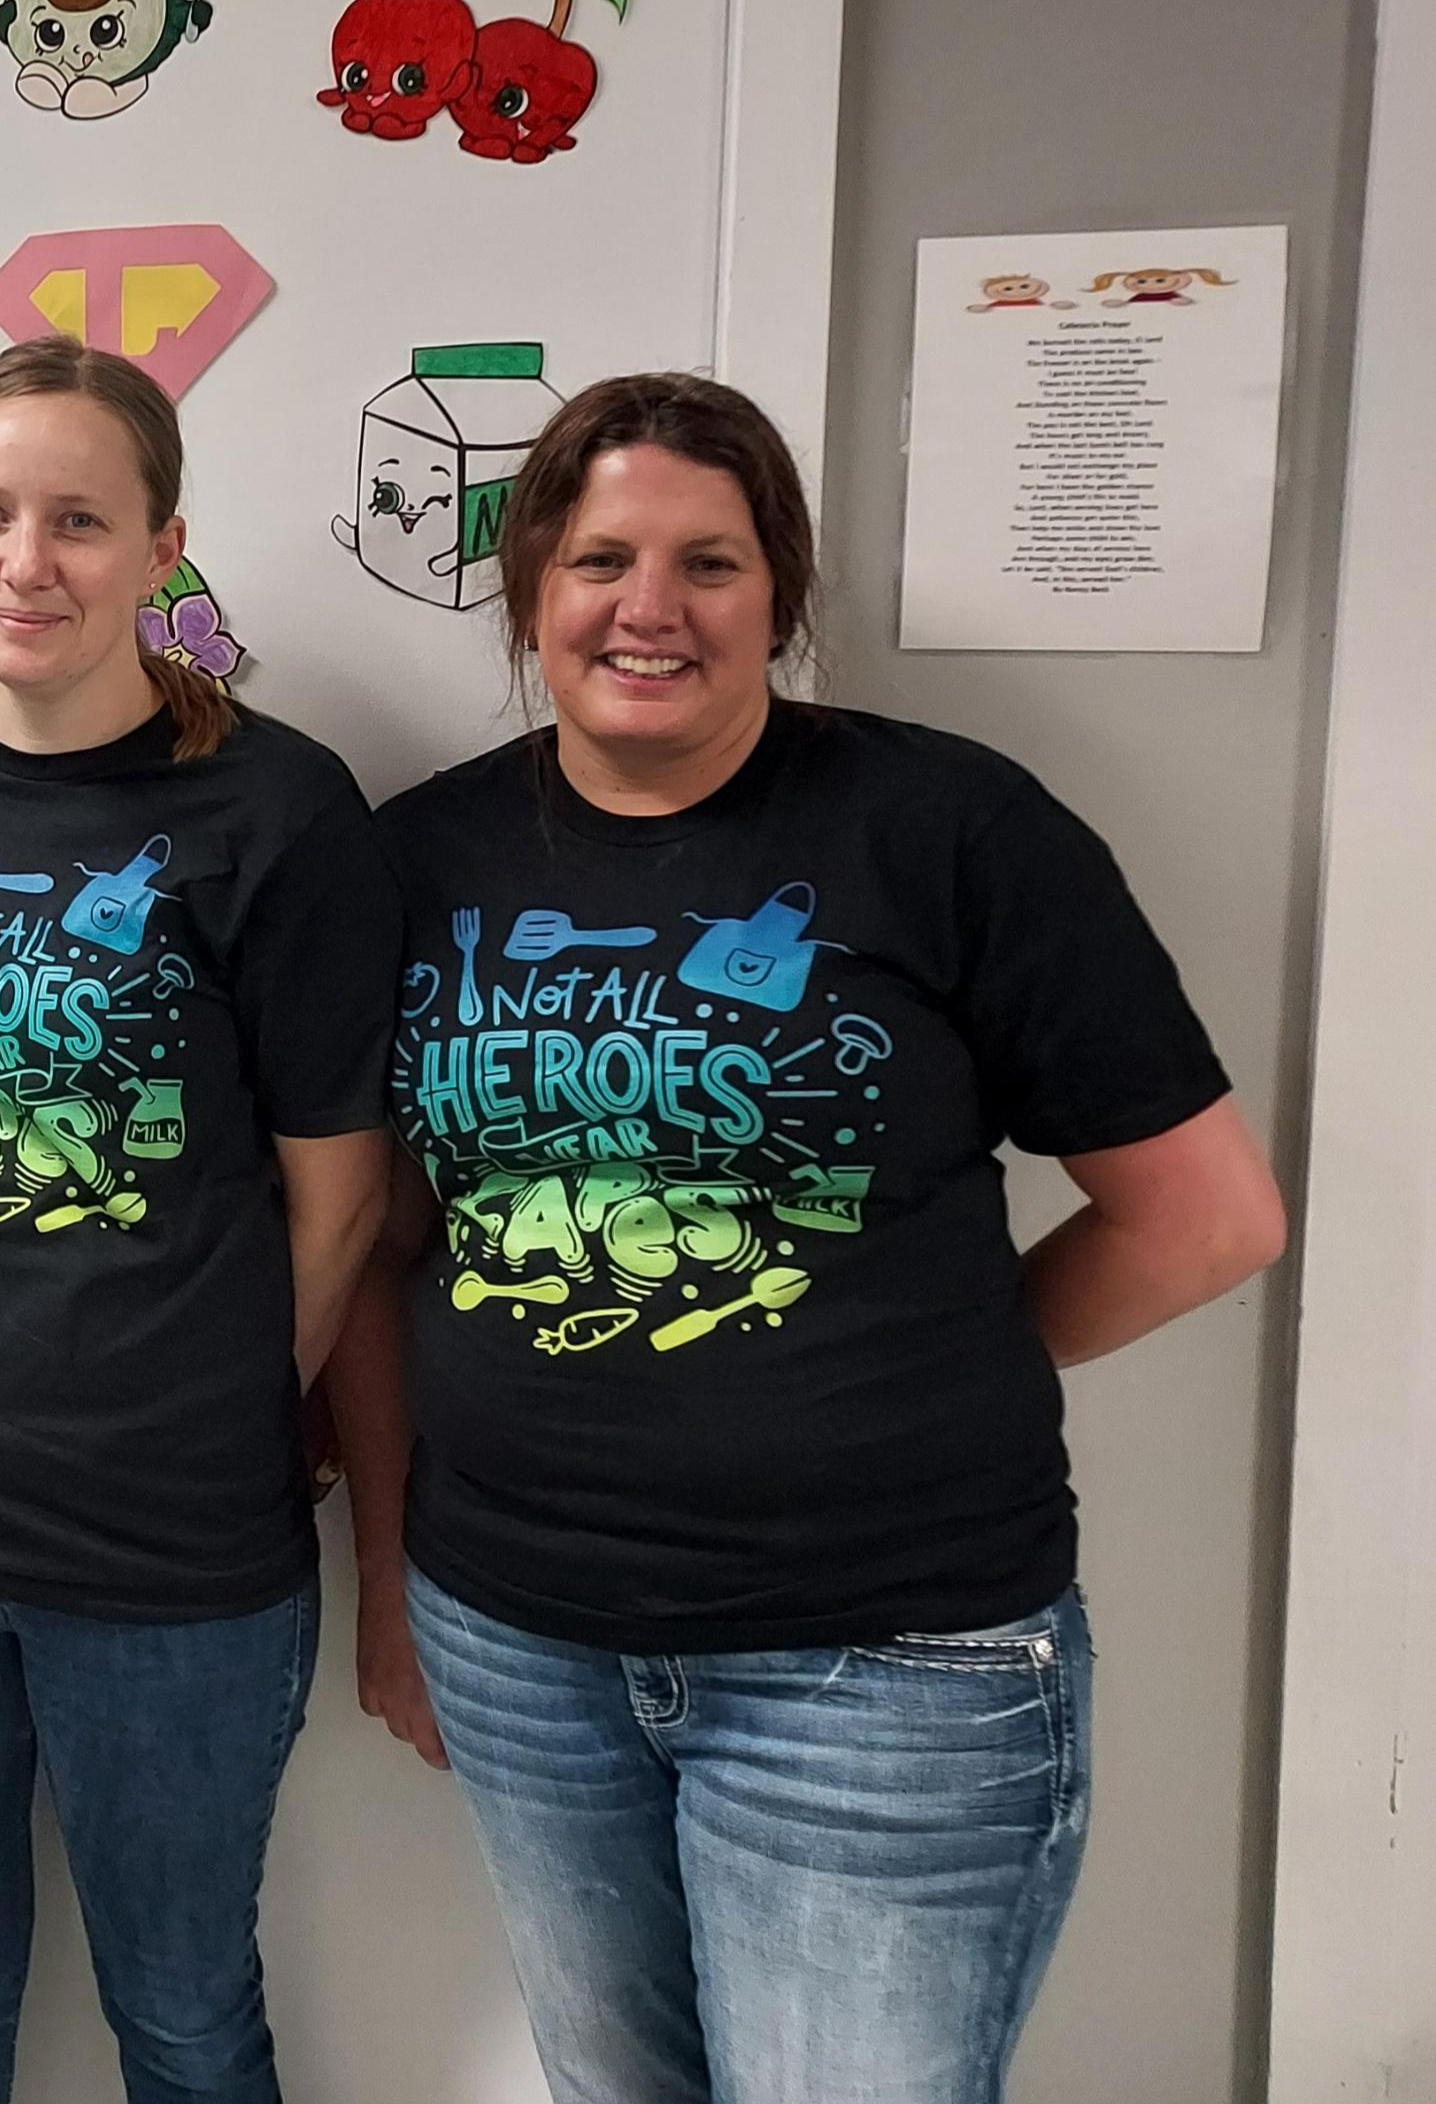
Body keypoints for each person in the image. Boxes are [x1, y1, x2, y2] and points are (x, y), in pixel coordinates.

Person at [325, 371, 1288, 2104]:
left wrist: (931, 1361)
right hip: (523, 1640)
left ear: (782, 593)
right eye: (601, 556)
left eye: (711, 562)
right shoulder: (421, 857)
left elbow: (1206, 1217)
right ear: (529, 585)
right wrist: (394, 1583)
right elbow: (394, 1253)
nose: (650, 607)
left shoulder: (947, 830)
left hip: (885, 1674)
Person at [0, 337, 397, 2104]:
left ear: (162, 546)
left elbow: (341, 1189)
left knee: (189, 2011)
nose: (26, 560)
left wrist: (209, 1407)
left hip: (175, 1557)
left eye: (79, 518)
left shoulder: (278, 810)